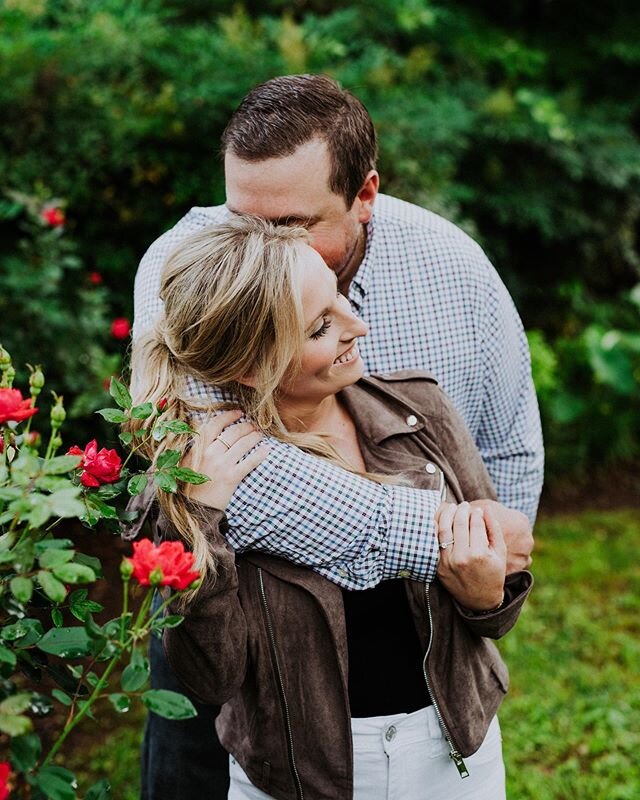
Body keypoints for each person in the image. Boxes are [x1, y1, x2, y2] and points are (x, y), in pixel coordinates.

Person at [131, 74, 542, 798]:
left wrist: (486, 586)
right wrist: (450, 538)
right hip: (238, 625)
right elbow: (236, 481)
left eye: (288, 226)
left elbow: (505, 448)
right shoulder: (188, 267)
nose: (254, 244)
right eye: (240, 215)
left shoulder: (455, 271)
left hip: (420, 660)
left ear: (365, 194)